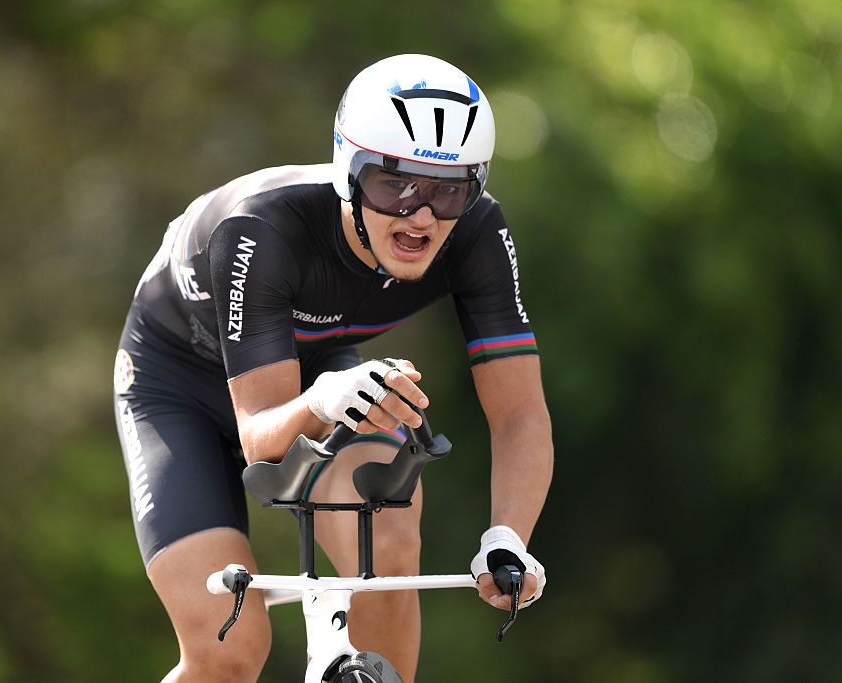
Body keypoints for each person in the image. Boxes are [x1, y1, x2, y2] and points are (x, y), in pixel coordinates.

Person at [113, 54, 553, 682]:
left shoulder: (477, 233)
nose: (420, 214)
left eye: (448, 189)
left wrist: (508, 536)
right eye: (393, 185)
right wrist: (322, 400)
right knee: (229, 653)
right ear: (350, 172)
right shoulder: (263, 228)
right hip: (176, 385)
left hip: (320, 373)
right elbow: (262, 437)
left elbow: (520, 412)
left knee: (393, 554)